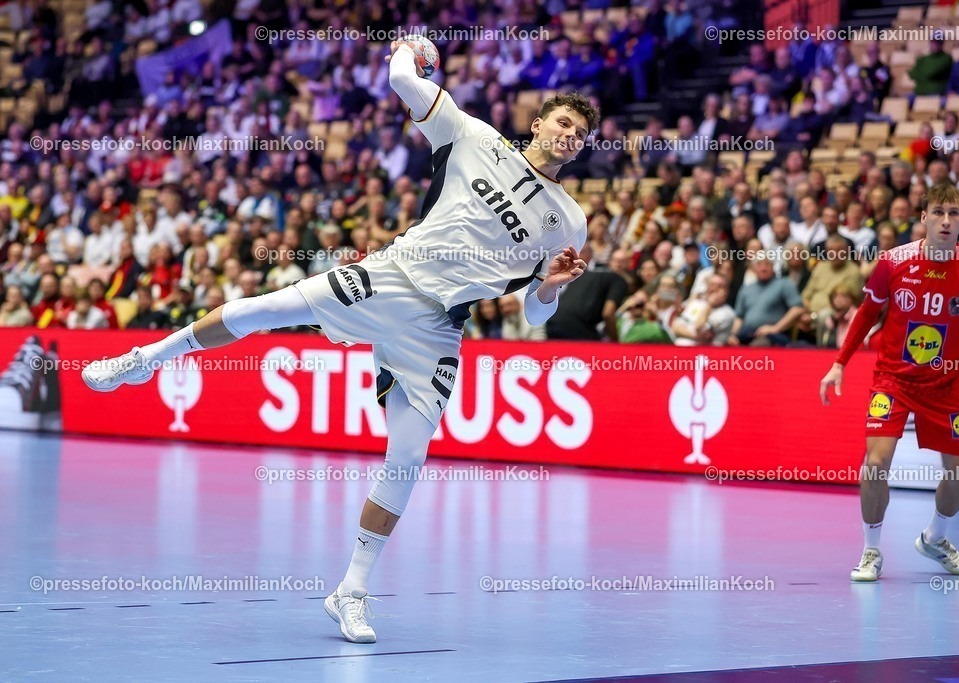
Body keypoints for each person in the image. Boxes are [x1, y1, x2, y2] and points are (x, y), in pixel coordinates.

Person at [80, 40, 598, 643]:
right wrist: (408, 49)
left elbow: (534, 315)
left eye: (581, 132)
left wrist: (553, 289)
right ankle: (144, 360)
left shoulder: (569, 220)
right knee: (265, 310)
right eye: (563, 121)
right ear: (538, 123)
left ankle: (350, 590)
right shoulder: (472, 136)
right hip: (391, 277)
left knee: (408, 455)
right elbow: (403, 80)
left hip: (437, 328)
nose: (571, 134)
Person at [819, 183, 959, 583]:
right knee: (874, 463)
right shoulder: (893, 262)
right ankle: (871, 550)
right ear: (923, 218)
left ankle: (935, 538)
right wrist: (839, 363)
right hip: (893, 382)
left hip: (946, 386)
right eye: (938, 212)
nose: (945, 220)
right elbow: (867, 314)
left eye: (954, 213)